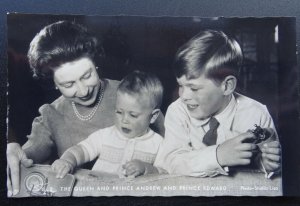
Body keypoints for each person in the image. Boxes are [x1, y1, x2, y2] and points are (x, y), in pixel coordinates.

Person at [6, 21, 164, 196]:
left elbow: (172, 154)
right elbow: (27, 156)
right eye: (68, 84)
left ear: (95, 62)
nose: (83, 91)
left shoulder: (134, 97)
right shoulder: (51, 114)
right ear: (53, 83)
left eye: (87, 75)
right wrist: (14, 150)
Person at [154, 30, 281, 178]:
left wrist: (267, 164)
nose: (183, 96)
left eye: (194, 88)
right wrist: (218, 155)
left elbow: (273, 166)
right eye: (181, 85)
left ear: (227, 86)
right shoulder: (177, 111)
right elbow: (171, 162)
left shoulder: (257, 113)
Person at [51, 71, 163, 178]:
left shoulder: (159, 144)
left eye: (133, 115)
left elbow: (164, 173)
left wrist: (145, 168)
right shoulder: (105, 135)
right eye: (119, 112)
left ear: (153, 116)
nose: (124, 120)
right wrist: (67, 161)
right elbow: (81, 150)